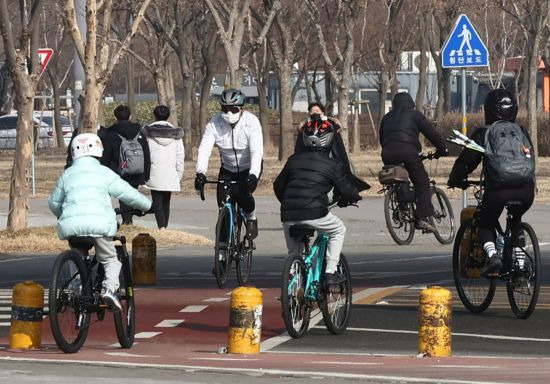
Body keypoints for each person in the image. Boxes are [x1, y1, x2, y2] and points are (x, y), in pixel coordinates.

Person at [49, 133, 152, 311]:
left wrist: (63, 215)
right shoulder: (104, 173)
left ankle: (77, 291)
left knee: (77, 258)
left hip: (73, 228)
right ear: (98, 151)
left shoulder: (67, 174)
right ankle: (109, 289)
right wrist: (148, 205)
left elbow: (54, 203)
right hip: (100, 226)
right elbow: (127, 193)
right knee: (111, 259)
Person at [447, 89, 535, 276]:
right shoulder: (522, 131)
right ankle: (520, 263)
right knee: (516, 220)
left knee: (485, 222)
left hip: (498, 191)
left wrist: (454, 179)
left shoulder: (484, 133)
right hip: (526, 191)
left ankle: (493, 255)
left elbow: (466, 162)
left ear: (489, 110)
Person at [274, 120, 362, 285]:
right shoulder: (332, 164)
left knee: (294, 252)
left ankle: (292, 285)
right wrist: (353, 197)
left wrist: (288, 202)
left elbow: (278, 186)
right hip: (315, 212)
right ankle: (330, 272)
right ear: (329, 140)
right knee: (338, 230)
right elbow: (347, 190)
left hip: (288, 213)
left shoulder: (293, 160)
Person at [194, 88, 263, 239]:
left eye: (233, 109)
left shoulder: (251, 122)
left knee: (244, 198)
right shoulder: (215, 123)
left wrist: (254, 175)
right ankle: (223, 253)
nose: (228, 113)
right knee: (223, 207)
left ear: (241, 109)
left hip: (248, 167)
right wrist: (200, 172)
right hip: (227, 168)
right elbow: (204, 150)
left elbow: (256, 151)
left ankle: (251, 218)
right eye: (225, 109)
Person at [379, 92, 449, 233]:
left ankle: (402, 204)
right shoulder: (414, 114)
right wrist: (443, 149)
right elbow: (431, 133)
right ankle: (422, 218)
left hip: (387, 154)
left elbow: (382, 137)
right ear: (411, 103)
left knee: (401, 179)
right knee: (422, 182)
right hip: (408, 152)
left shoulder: (386, 118)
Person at [295, 102, 371, 193]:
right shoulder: (305, 126)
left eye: (317, 110)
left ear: (322, 113)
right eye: (312, 111)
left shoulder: (330, 124)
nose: (315, 112)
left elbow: (336, 139)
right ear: (309, 113)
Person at [101, 105, 151, 225]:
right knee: (132, 194)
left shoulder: (110, 133)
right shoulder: (140, 132)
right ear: (130, 116)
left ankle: (127, 220)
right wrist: (146, 175)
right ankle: (128, 219)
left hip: (118, 171)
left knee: (123, 196)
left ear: (115, 117)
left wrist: (104, 172)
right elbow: (146, 154)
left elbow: (106, 156)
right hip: (137, 170)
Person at [141, 105, 184, 229]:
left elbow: (145, 155)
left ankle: (162, 227)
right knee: (166, 201)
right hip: (170, 172)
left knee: (157, 201)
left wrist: (145, 174)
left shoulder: (147, 133)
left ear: (155, 115)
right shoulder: (176, 134)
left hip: (154, 171)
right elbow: (180, 157)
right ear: (168, 116)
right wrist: (178, 175)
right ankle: (164, 226)